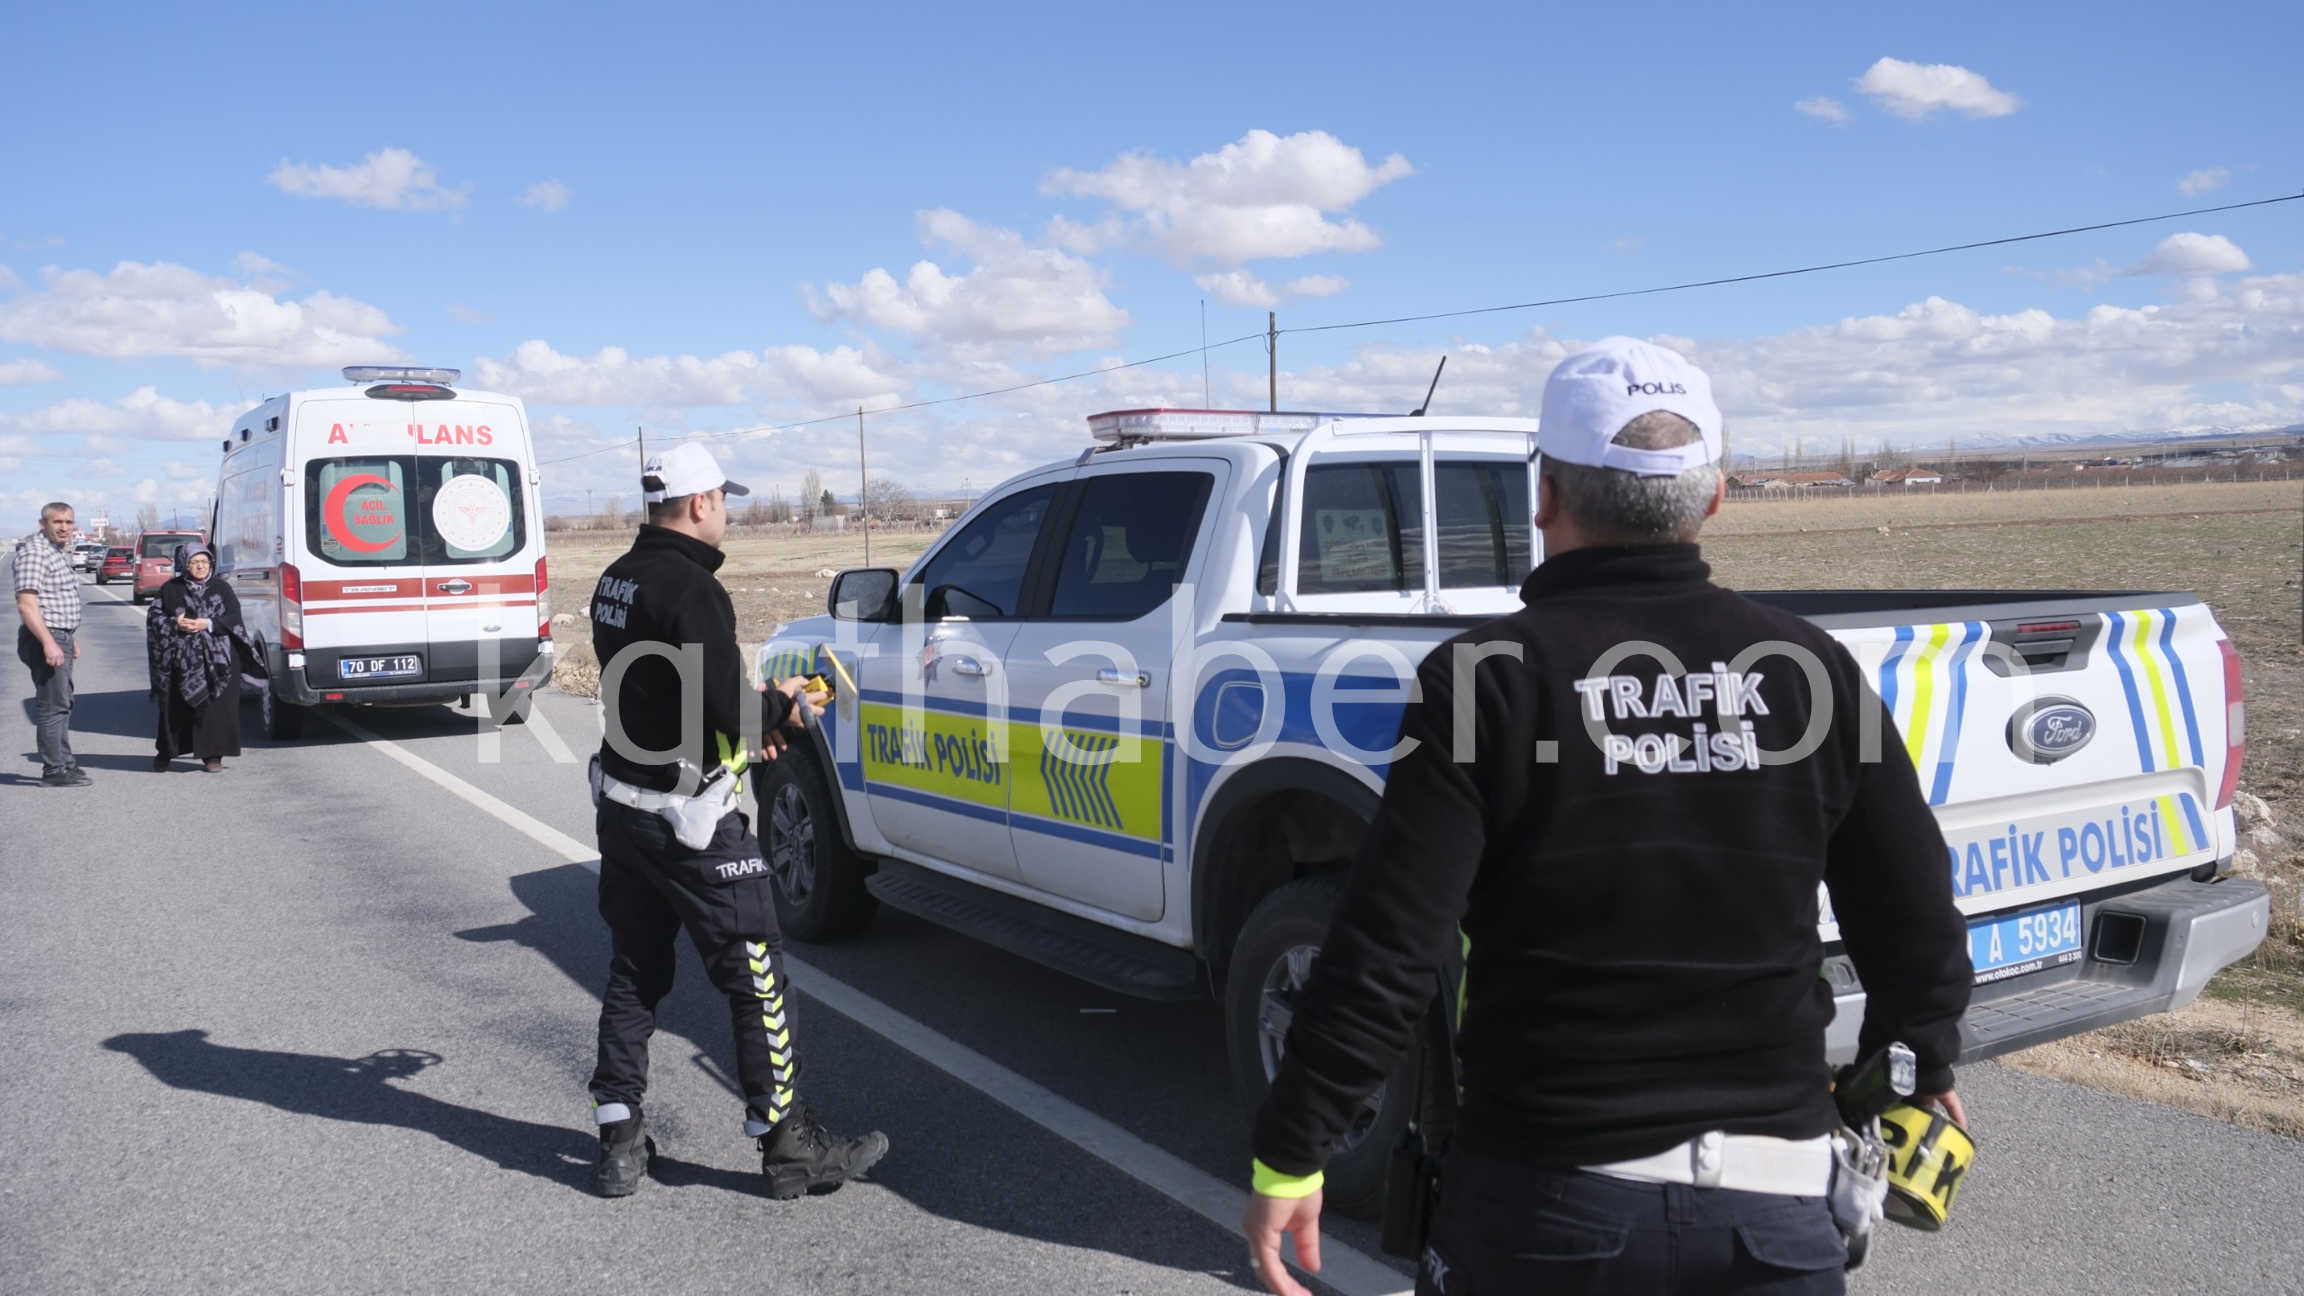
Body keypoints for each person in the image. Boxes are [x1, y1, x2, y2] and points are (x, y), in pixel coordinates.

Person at [1241, 337, 1972, 1296]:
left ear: (1543, 497)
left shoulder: (1483, 680)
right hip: (1779, 1214)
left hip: (1545, 1207)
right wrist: (1920, 1060)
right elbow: (1914, 914)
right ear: (1713, 497)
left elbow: (1390, 946)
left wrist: (1293, 1148)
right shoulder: (1811, 670)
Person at [585, 442, 889, 1200]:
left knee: (635, 969)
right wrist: (785, 706)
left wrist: (754, 717)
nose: (729, 512)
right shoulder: (692, 592)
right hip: (691, 820)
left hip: (624, 809)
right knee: (758, 976)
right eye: (724, 500)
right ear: (698, 505)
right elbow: (724, 713)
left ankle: (619, 1137)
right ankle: (788, 1144)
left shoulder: (614, 580)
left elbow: (671, 703)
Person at [146, 543, 245, 772]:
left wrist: (208, 624)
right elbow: (154, 617)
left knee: (215, 709)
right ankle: (166, 752)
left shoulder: (221, 588)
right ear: (184, 564)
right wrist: (175, 623)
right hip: (180, 660)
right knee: (173, 708)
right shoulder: (171, 588)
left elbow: (234, 618)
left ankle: (213, 756)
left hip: (218, 661)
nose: (200, 566)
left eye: (204, 561)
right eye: (194, 562)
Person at [15, 501, 87, 787]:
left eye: (69, 522)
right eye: (57, 522)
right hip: (46, 637)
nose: (64, 528)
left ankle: (65, 762)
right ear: (43, 524)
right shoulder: (35, 553)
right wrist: (50, 642)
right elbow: (27, 605)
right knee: (52, 706)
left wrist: (71, 638)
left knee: (63, 703)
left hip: (61, 635)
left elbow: (54, 601)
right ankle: (54, 770)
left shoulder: (55, 552)